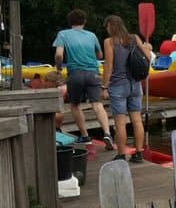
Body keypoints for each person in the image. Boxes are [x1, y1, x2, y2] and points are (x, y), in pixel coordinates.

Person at [53, 9, 114, 148]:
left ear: (69, 22)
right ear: (84, 21)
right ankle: (107, 133)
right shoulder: (92, 35)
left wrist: (59, 68)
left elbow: (58, 55)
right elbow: (100, 55)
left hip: (75, 73)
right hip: (93, 73)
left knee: (75, 105)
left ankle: (85, 136)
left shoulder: (63, 34)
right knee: (97, 104)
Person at [101, 15, 152, 162]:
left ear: (111, 26)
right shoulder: (134, 38)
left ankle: (122, 154)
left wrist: (104, 86)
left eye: (107, 27)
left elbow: (109, 65)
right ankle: (138, 153)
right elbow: (148, 57)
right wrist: (147, 47)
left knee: (120, 123)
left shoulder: (109, 42)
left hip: (118, 86)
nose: (107, 29)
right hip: (135, 85)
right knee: (137, 120)